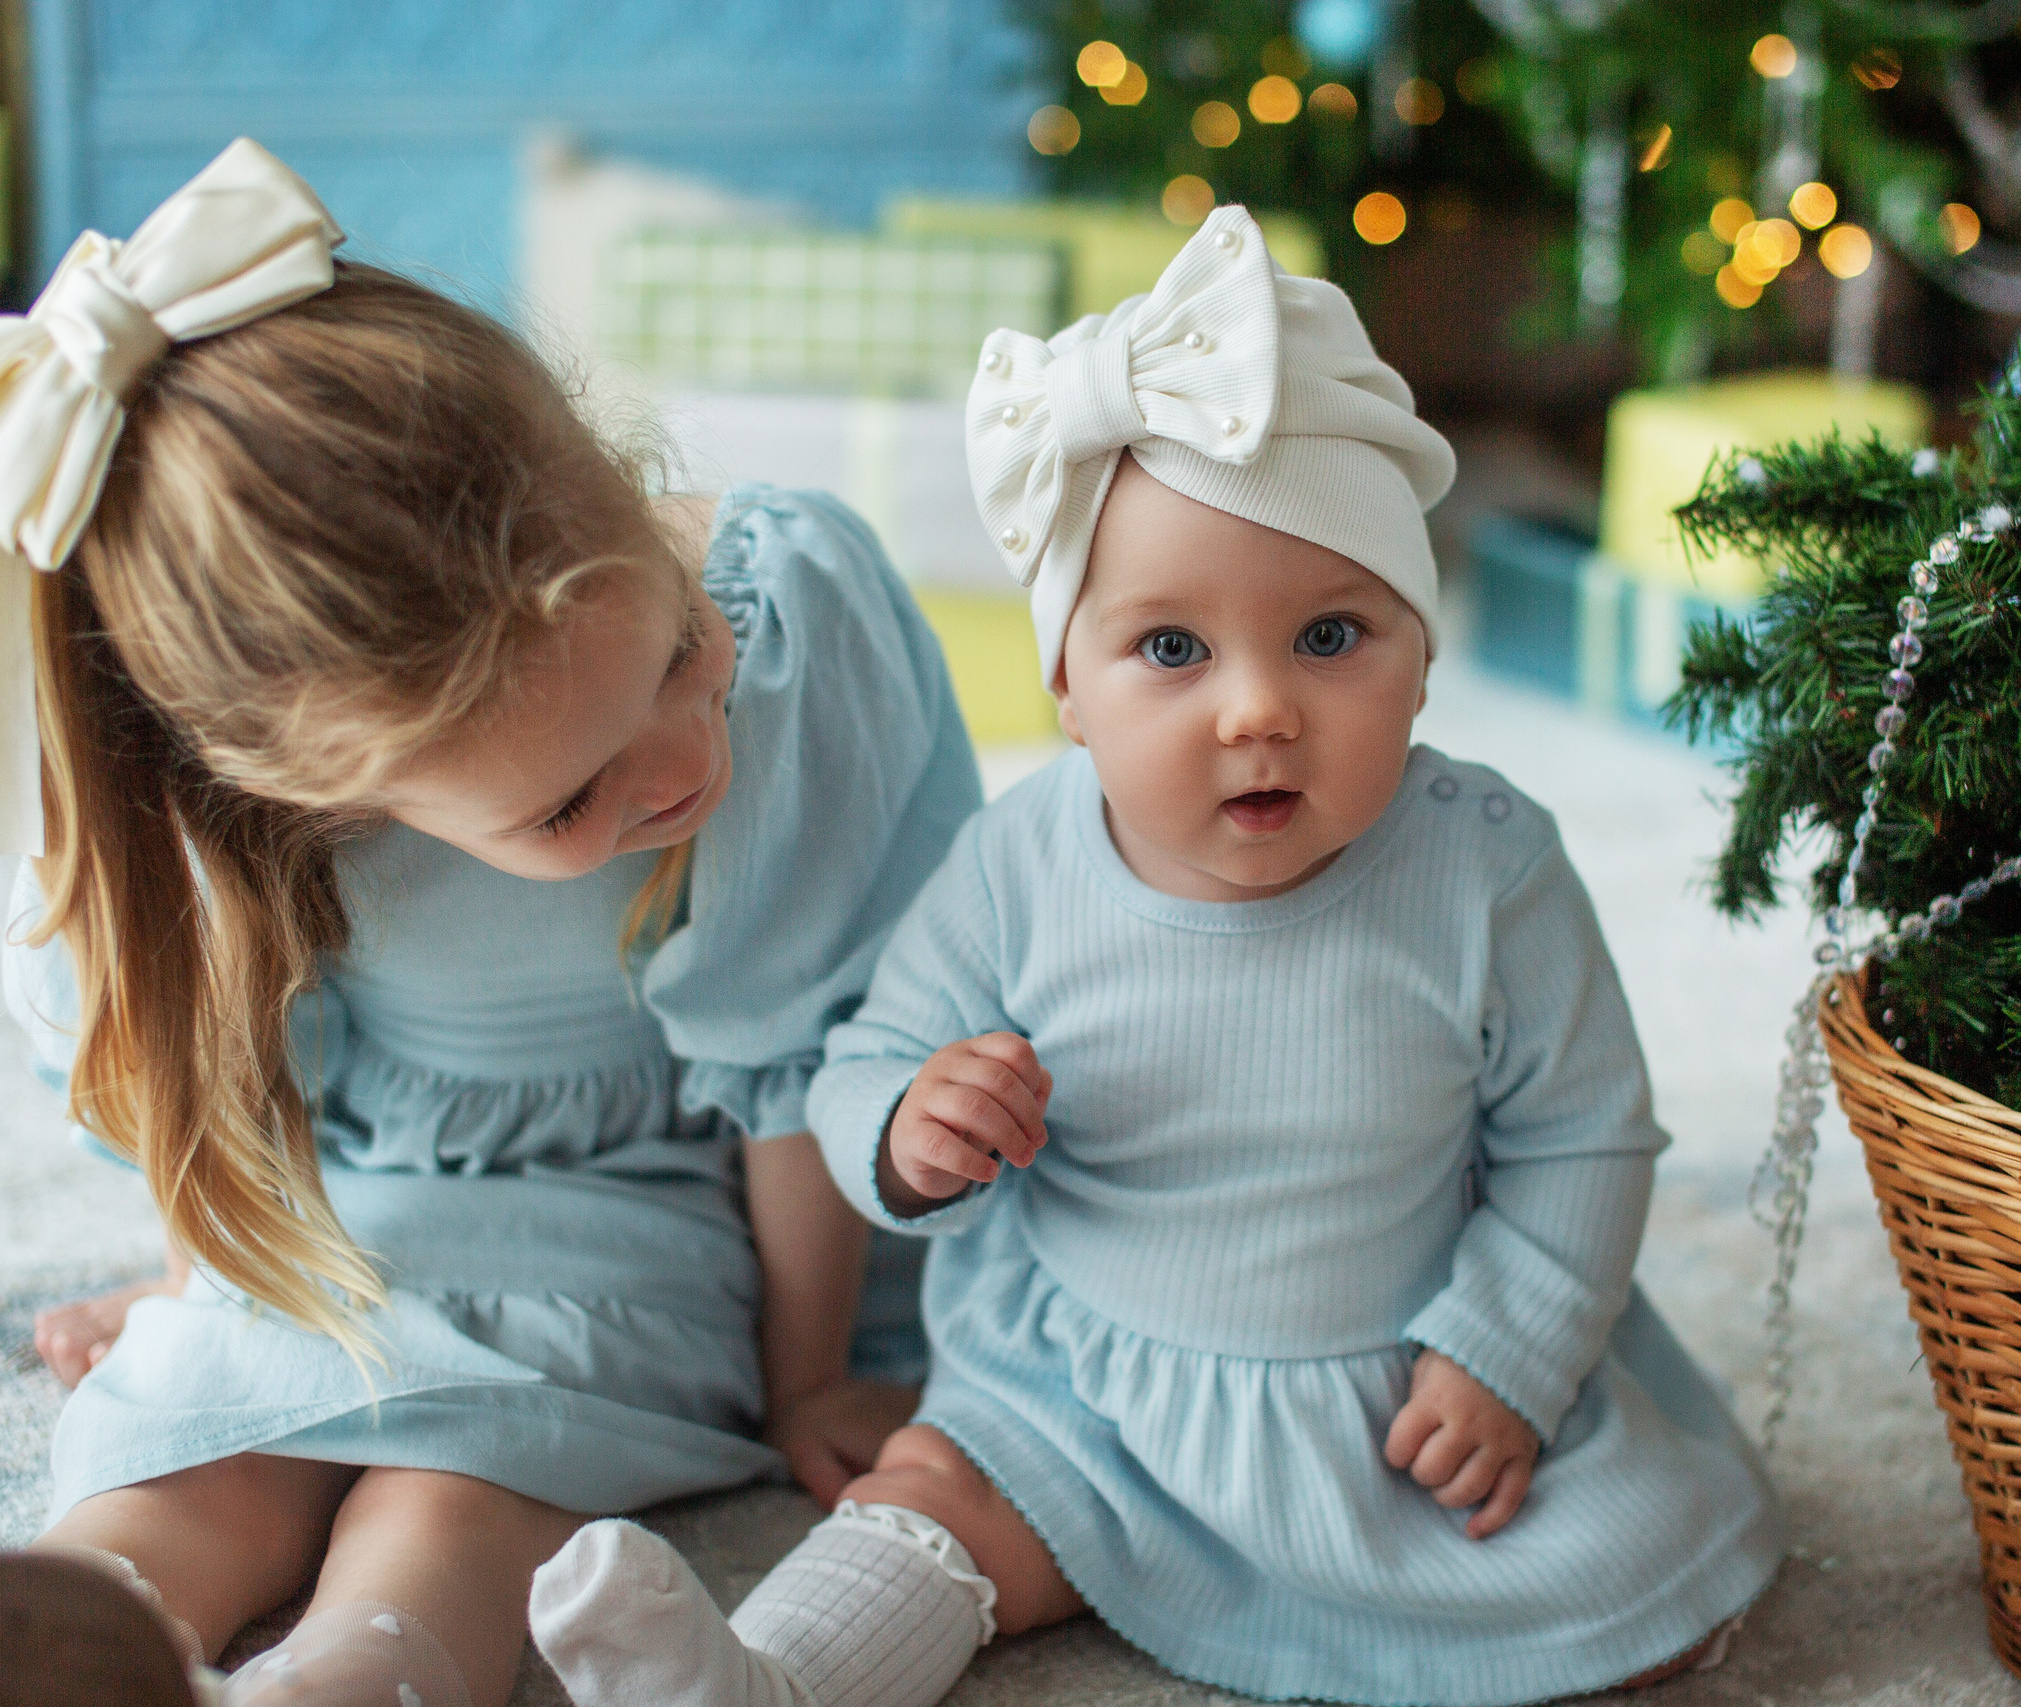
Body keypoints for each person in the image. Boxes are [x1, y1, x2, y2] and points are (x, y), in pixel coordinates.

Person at [526, 207, 1783, 1707]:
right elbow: (861, 1062)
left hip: (1401, 1392)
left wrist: (1506, 1354)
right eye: (1172, 651)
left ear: (1423, 654)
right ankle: (763, 1681)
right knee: (937, 1492)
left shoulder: (1487, 869)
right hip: (1088, 1397)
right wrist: (912, 1128)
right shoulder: (1018, 864)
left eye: (1333, 636)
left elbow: (1585, 1138)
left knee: (1634, 1569)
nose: (1259, 710)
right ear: (1068, 690)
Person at [0, 140, 978, 1707]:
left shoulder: (788, 618)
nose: (686, 762)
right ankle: (75, 1630)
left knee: (456, 1500)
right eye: (567, 805)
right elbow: (194, 1062)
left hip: (645, 1224)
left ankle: (351, 1678)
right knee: (200, 1449)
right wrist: (209, 1273)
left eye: (679, 650)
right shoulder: (208, 807)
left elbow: (805, 1054)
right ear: (327, 799)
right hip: (348, 1214)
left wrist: (806, 1377)